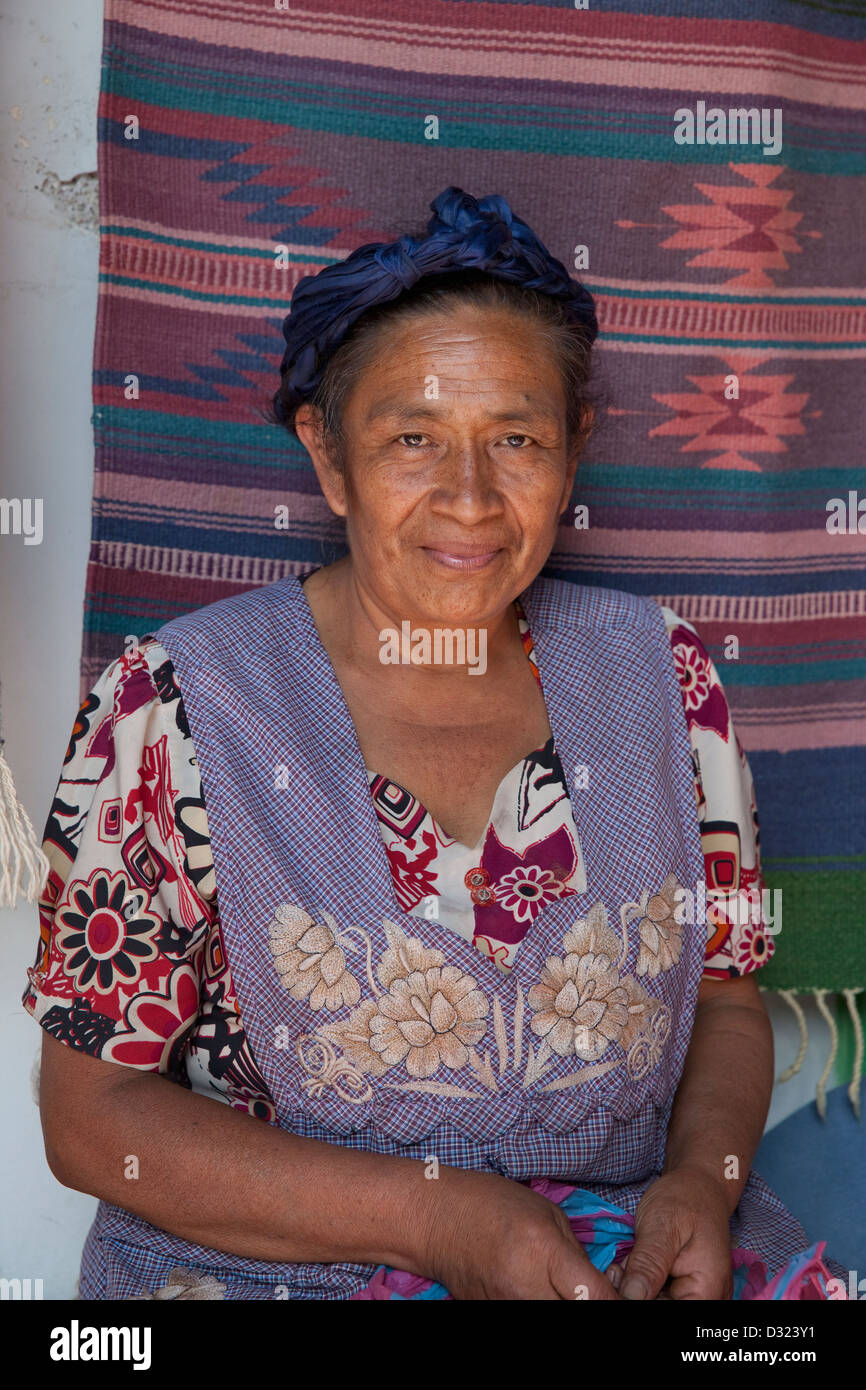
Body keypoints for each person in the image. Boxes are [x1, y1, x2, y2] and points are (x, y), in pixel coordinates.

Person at [25, 186, 841, 1301]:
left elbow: (729, 996)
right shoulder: (171, 707)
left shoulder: (667, 678)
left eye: (515, 439)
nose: (470, 499)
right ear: (327, 456)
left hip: (614, 1267)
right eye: (413, 438)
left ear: (574, 448)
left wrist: (702, 1178)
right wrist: (436, 1220)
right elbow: (90, 1122)